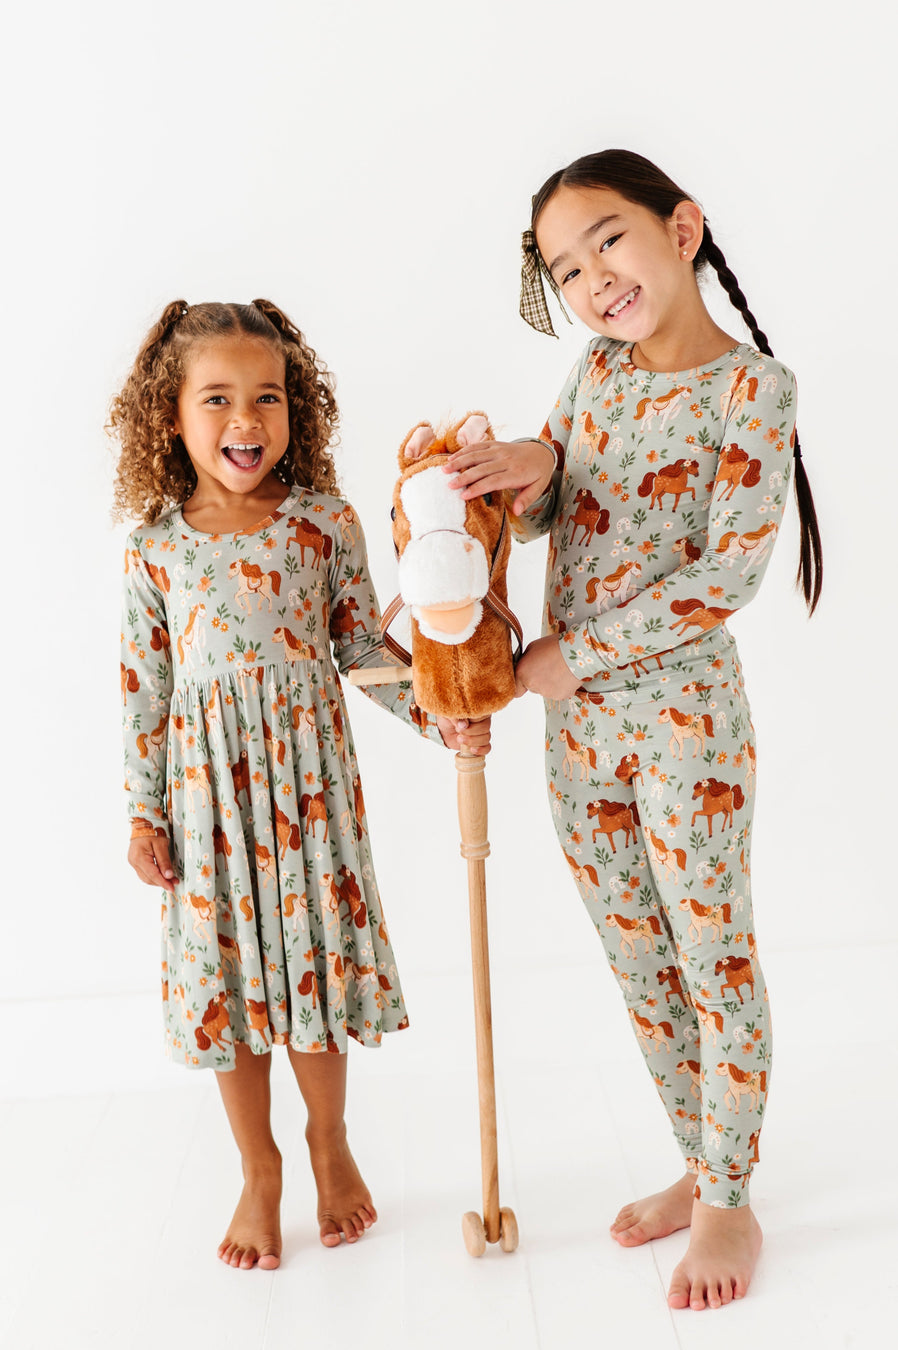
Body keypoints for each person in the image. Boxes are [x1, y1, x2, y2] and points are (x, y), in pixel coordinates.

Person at [443, 150, 821, 1311]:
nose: (592, 277)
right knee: (640, 962)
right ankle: (697, 1157)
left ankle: (727, 1197)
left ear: (682, 226)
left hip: (680, 731)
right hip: (577, 741)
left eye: (607, 239)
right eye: (566, 266)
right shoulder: (595, 369)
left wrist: (563, 658)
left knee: (712, 957)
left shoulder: (752, 390)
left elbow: (725, 575)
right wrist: (524, 466)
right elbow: (568, 489)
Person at [111, 298, 489, 1270]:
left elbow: (362, 647)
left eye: (269, 398)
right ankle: (258, 1167)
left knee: (311, 973)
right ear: (172, 418)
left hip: (306, 792)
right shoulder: (155, 546)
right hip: (209, 803)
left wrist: (436, 710)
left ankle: (329, 1139)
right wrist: (145, 809)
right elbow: (144, 687)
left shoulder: (323, 524)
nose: (248, 420)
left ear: (297, 410)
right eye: (220, 399)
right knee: (234, 985)